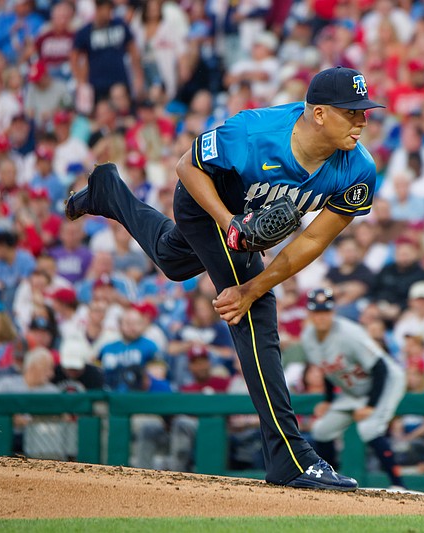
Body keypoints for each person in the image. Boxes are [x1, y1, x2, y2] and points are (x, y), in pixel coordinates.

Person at [65, 66, 385, 490]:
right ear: (320, 114)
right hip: (208, 200)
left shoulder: (359, 169)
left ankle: (109, 192)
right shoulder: (254, 133)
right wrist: (230, 224)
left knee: (174, 261)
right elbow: (186, 166)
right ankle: (289, 457)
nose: (362, 121)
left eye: (365, 111)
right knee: (257, 314)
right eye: (352, 112)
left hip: (243, 220)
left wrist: (253, 286)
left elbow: (312, 242)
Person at [300, 288, 406, 489]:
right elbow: (328, 370)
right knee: (322, 430)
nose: (322, 317)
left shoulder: (349, 333)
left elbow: (380, 367)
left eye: (326, 311)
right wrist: (328, 400)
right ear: (310, 314)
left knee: (369, 429)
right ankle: (329, 479)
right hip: (355, 389)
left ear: (333, 312)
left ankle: (399, 485)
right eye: (317, 312)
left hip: (387, 381)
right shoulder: (308, 338)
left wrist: (371, 406)